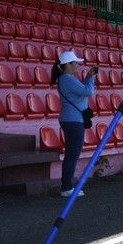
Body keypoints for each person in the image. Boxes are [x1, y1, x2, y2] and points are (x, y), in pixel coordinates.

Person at [52, 50, 96, 197]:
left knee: (71, 154)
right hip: (73, 120)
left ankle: (66, 186)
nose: (77, 65)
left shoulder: (65, 79)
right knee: (72, 155)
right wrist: (90, 78)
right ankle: (66, 187)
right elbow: (88, 92)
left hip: (70, 118)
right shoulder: (68, 79)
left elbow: (81, 92)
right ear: (68, 65)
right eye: (75, 62)